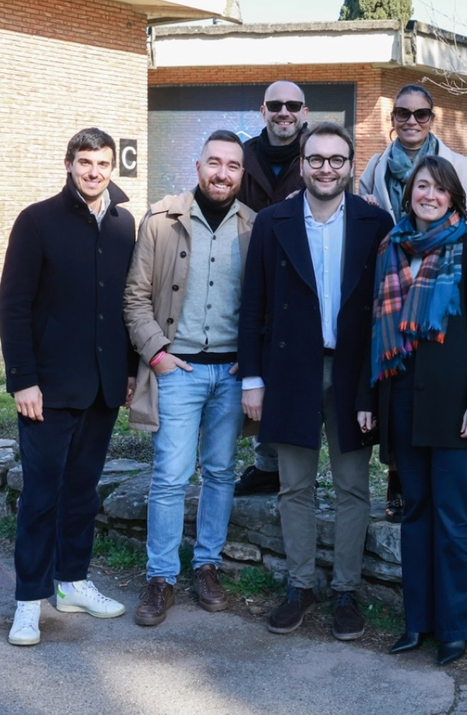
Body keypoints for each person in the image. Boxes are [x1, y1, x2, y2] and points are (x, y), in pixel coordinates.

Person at [238, 122, 393, 640]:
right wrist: (253, 378)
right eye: (317, 158)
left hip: (353, 373)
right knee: (293, 486)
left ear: (351, 165)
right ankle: (300, 586)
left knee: (353, 487)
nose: (327, 167)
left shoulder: (376, 222)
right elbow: (253, 303)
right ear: (302, 164)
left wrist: (378, 382)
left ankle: (347, 591)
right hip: (290, 370)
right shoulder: (271, 221)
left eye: (337, 159)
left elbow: (384, 309)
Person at [0, 128, 136, 646]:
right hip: (47, 391)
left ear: (111, 166)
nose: (94, 171)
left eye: (102, 162)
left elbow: (127, 304)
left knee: (82, 493)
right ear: (69, 164)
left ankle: (73, 581)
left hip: (102, 389)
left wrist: (129, 371)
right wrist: (23, 380)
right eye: (84, 162)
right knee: (40, 497)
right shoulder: (37, 221)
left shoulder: (125, 224)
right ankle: (28, 601)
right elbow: (11, 305)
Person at [357, 155, 467, 666]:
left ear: (453, 198)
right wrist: (369, 401)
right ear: (408, 194)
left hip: (455, 407)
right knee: (413, 513)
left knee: (453, 516)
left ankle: (455, 627)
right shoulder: (390, 249)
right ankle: (417, 622)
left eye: (439, 189)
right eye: (421, 187)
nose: (429, 196)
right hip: (400, 403)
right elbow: (374, 331)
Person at [123, 130, 255, 626]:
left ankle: (207, 566)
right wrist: (156, 355)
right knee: (171, 476)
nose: (223, 173)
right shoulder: (160, 221)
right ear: (197, 166)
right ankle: (160, 578)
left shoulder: (254, 227)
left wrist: (254, 359)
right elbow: (134, 297)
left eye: (233, 166)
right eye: (214, 163)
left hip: (233, 371)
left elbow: (261, 305)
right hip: (176, 368)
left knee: (220, 472)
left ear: (242, 173)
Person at [357, 84, 467, 524]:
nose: (411, 121)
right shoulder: (375, 167)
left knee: (450, 511)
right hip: (397, 285)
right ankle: (399, 485)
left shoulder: (460, 170)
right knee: (414, 504)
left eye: (422, 113)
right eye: (402, 113)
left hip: (443, 298)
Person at [235, 80, 311, 498]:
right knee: (254, 372)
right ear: (262, 110)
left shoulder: (317, 157)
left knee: (291, 376)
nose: (284, 112)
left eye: (292, 105)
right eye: (275, 105)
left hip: (298, 281)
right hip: (245, 273)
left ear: (304, 112)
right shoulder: (242, 158)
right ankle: (265, 464)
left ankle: (293, 468)